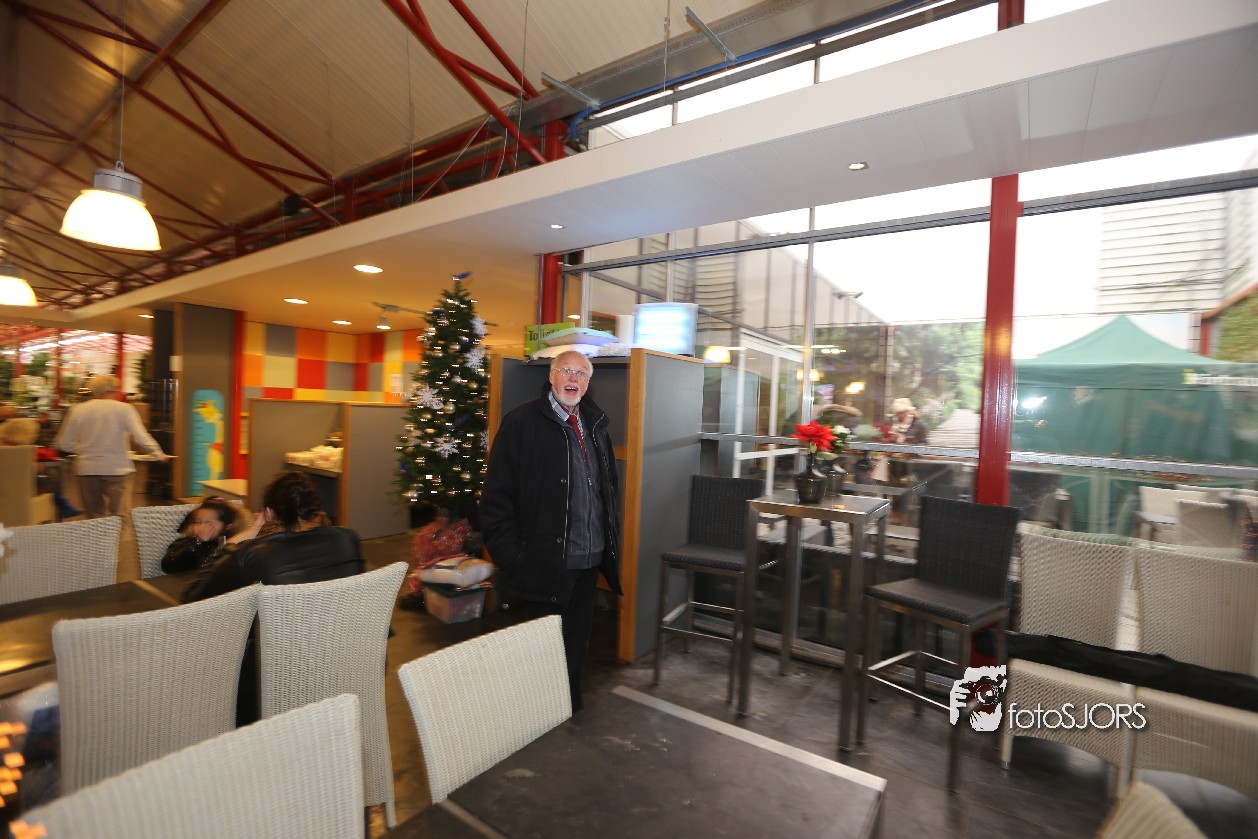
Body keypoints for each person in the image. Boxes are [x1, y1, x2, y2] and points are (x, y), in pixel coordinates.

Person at [480, 350, 622, 712]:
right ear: (551, 375)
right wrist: (513, 558)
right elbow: (495, 500)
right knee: (539, 650)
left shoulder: (596, 425)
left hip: (588, 559)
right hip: (542, 562)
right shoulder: (520, 423)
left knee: (575, 644)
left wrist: (607, 543)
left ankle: (568, 709)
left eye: (581, 373)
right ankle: (536, 716)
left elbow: (606, 491)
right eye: (566, 370)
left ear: (588, 383)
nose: (573, 378)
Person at [183, 471, 364, 725]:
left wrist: (245, 535)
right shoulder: (348, 539)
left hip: (279, 676)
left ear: (268, 513)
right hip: (345, 662)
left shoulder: (253, 555)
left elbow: (192, 598)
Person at [55, 374, 167, 519]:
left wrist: (86, 449)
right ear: (113, 390)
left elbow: (64, 444)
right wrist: (158, 454)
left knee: (95, 518)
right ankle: (116, 535)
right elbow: (141, 437)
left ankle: (99, 535)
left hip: (87, 470)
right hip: (117, 469)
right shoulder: (124, 409)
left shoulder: (78, 410)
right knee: (120, 517)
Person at [159, 497, 242, 574]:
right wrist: (197, 542)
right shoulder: (186, 542)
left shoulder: (229, 543)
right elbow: (167, 566)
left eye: (208, 523)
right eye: (198, 522)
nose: (202, 527)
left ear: (226, 527)